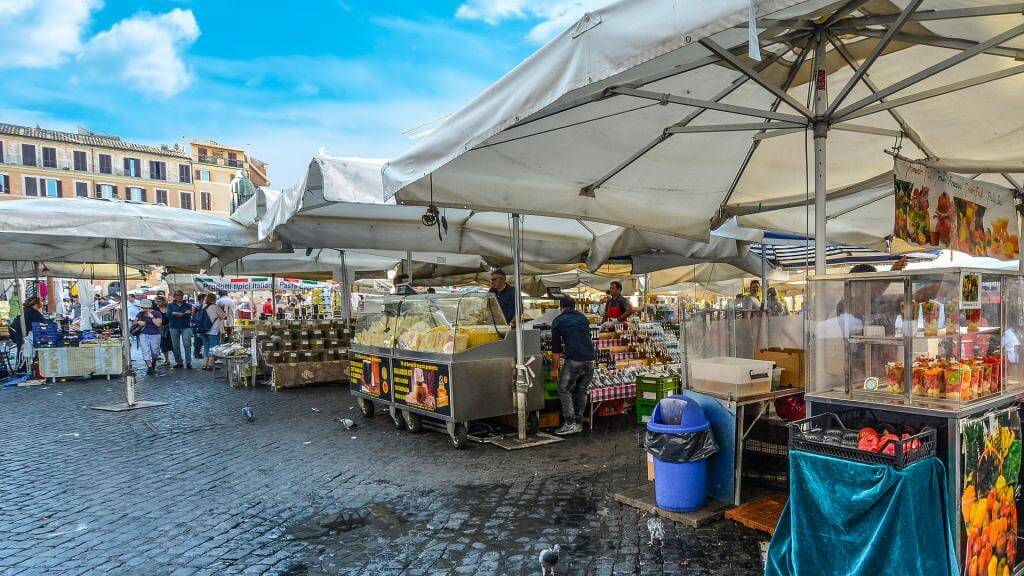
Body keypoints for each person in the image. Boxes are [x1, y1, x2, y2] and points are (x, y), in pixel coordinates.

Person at [549, 296, 595, 435]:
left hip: (575, 359)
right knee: (582, 389)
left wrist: (554, 369)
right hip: (591, 359)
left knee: (564, 389)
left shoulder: (558, 321)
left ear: (561, 308)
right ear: (574, 307)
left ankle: (569, 423)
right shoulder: (583, 318)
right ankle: (578, 421)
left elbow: (556, 349)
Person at [9, 296, 46, 372]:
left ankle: (23, 368)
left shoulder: (25, 310)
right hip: (20, 332)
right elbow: (43, 322)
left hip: (16, 331)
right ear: (36, 304)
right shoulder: (32, 312)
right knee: (24, 350)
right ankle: (23, 369)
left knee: (22, 350)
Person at [134, 299, 163, 375]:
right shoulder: (141, 313)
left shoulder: (157, 313)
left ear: (150, 307)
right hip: (143, 334)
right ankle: (149, 367)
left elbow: (158, 324)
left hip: (155, 334)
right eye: (143, 308)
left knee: (155, 352)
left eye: (146, 308)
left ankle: (153, 362)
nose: (145, 309)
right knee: (145, 351)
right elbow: (134, 322)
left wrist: (152, 317)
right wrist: (138, 322)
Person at [166, 290, 194, 369]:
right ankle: (179, 362)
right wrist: (181, 314)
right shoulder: (170, 305)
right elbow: (168, 315)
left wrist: (175, 313)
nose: (179, 297)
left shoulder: (188, 305)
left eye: (181, 295)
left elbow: (188, 315)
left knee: (187, 344)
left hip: (186, 327)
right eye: (177, 295)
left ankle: (188, 362)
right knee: (175, 346)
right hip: (173, 327)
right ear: (174, 297)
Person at [200, 293, 228, 371]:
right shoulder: (216, 307)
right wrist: (223, 309)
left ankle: (204, 363)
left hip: (203, 330)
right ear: (214, 299)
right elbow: (223, 316)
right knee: (213, 348)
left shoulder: (203, 306)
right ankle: (210, 364)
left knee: (206, 347)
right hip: (213, 330)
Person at [155, 297, 173, 366]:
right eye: (157, 301)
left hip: (170, 327)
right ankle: (167, 360)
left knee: (173, 344)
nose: (157, 303)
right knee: (163, 344)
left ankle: (177, 360)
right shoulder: (156, 309)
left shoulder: (169, 308)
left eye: (159, 301)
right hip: (160, 328)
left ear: (163, 301)